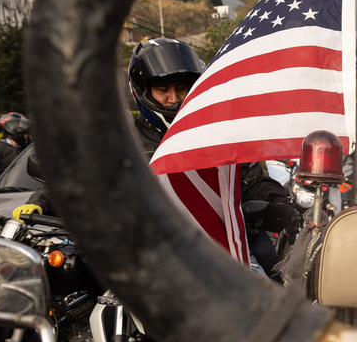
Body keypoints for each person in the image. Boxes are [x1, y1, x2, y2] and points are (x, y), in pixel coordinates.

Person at [127, 37, 302, 275]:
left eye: (181, 88)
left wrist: (277, 202)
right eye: (162, 90)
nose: (174, 98)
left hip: (221, 250)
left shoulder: (217, 135)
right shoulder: (124, 144)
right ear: (141, 91)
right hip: (145, 257)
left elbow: (249, 180)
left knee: (277, 283)